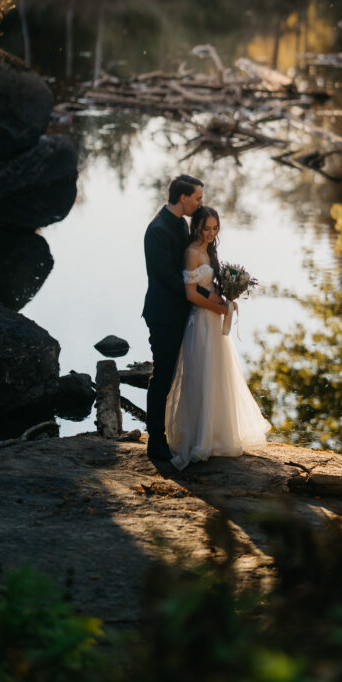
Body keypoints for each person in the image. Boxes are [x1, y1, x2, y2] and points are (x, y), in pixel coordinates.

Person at [165, 206, 271, 471]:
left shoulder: (208, 251)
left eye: (215, 228)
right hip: (201, 323)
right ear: (197, 227)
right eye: (206, 228)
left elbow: (208, 288)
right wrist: (221, 308)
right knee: (202, 375)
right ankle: (200, 438)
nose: (211, 233)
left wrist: (226, 298)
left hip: (213, 321)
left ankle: (218, 434)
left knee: (218, 374)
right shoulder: (191, 253)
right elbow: (191, 294)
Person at [143, 176, 226, 461]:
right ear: (183, 198)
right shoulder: (157, 230)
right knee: (163, 376)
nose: (200, 203)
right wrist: (203, 295)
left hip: (186, 314)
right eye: (198, 198)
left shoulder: (179, 223)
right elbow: (167, 277)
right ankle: (156, 440)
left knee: (185, 374)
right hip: (164, 314)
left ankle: (188, 431)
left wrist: (213, 290)